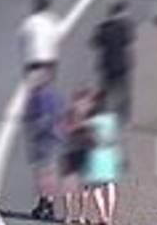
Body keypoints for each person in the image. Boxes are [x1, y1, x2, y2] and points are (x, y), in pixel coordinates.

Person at [24, 68, 65, 220]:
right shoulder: (57, 96)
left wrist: (35, 127)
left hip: (43, 139)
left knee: (42, 174)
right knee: (51, 173)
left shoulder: (36, 97)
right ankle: (49, 204)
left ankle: (44, 203)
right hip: (55, 139)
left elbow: (35, 118)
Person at [82, 90, 122, 225]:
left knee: (96, 188)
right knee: (110, 185)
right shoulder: (112, 120)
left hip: (96, 156)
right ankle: (110, 217)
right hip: (110, 155)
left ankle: (102, 216)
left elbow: (87, 138)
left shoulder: (92, 120)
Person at [90, 1, 134, 122]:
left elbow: (94, 43)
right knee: (123, 90)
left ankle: (103, 113)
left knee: (105, 90)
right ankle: (124, 116)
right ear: (120, 13)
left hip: (107, 64)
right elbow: (129, 39)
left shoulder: (103, 27)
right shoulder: (124, 27)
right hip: (121, 64)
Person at [60, 90, 94, 225]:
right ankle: (81, 216)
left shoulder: (69, 116)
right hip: (84, 155)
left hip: (69, 153)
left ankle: (68, 216)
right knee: (84, 188)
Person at [20, 0, 61, 75]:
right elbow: (58, 35)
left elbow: (21, 38)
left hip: (31, 60)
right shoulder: (52, 18)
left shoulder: (29, 21)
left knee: (33, 83)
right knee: (47, 80)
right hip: (49, 58)